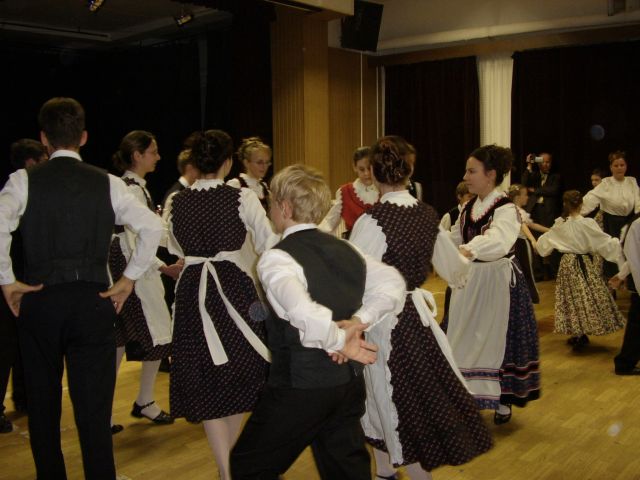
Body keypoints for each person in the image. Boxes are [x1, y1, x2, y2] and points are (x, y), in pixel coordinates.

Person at [0, 97, 164, 479]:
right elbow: (152, 227)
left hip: (40, 300)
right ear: (84, 137)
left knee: (42, 407)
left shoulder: (23, 181)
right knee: (94, 412)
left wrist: (7, 281)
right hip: (93, 301)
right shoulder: (108, 183)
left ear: (44, 139)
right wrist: (127, 280)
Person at [230, 164, 406, 480]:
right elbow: (393, 284)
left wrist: (345, 336)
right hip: (347, 385)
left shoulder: (277, 258)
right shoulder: (347, 249)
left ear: (285, 208)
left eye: (272, 203)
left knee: (248, 466)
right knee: (346, 470)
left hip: (300, 386)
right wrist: (358, 322)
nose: (270, 210)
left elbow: (302, 311)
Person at [348, 136, 492, 480]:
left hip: (383, 321)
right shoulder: (426, 215)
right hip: (416, 317)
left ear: (374, 174)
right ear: (409, 172)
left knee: (390, 399)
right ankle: (384, 471)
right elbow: (453, 268)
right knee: (391, 398)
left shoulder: (373, 221)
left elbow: (354, 277)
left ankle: (396, 471)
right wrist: (465, 261)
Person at [166, 130, 277, 480]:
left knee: (207, 378)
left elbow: (174, 247)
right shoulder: (242, 197)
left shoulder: (177, 201)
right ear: (228, 162)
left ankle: (226, 469)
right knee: (241, 371)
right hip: (233, 288)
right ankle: (228, 470)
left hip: (192, 291)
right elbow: (268, 243)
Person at [448, 144, 540, 425]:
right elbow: (454, 237)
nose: (466, 177)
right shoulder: (467, 208)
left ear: (490, 175)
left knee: (497, 339)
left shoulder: (506, 209)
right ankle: (467, 396)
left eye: (471, 171)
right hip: (470, 281)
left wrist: (470, 249)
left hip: (497, 282)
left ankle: (501, 399)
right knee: (464, 337)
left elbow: (499, 240)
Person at [108, 130, 177, 433]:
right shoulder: (130, 189)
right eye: (153, 151)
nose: (158, 157)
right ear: (137, 155)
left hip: (129, 266)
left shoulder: (136, 188)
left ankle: (141, 401)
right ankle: (137, 402)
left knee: (122, 338)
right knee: (150, 333)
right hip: (128, 269)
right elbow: (135, 239)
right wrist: (162, 267)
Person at [537, 190, 625, 349]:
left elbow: (544, 244)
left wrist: (537, 245)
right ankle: (579, 333)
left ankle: (579, 333)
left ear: (565, 204)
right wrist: (620, 242)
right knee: (583, 296)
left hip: (567, 264)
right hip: (581, 262)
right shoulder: (583, 223)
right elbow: (603, 241)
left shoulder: (561, 224)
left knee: (573, 298)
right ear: (581, 204)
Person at [0, 139, 48, 433]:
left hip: (24, 279)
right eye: (43, 159)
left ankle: (24, 397)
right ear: (31, 162)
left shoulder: (32, 191)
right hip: (9, 281)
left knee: (21, 343)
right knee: (5, 345)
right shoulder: (16, 190)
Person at [581, 151, 640, 280]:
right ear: (611, 167)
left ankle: (630, 283)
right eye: (616, 165)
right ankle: (613, 283)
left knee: (631, 252)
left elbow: (638, 201)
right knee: (613, 253)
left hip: (629, 221)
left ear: (626, 166)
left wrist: (637, 218)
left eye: (622, 165)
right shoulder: (606, 183)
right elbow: (591, 198)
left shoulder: (632, 181)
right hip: (612, 222)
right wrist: (575, 212)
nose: (619, 168)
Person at [319, 146, 378, 239]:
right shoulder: (345, 192)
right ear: (354, 167)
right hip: (355, 244)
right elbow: (329, 223)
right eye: (362, 169)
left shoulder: (384, 191)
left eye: (369, 168)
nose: (367, 173)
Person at [521, 152, 562, 279]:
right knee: (535, 239)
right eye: (542, 161)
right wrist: (529, 165)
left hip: (549, 212)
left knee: (551, 239)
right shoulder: (534, 175)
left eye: (548, 162)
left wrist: (535, 190)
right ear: (538, 162)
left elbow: (553, 190)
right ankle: (538, 272)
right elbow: (524, 184)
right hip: (534, 210)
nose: (545, 164)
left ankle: (553, 271)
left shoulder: (555, 176)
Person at [507, 183, 550, 304]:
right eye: (525, 195)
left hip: (512, 245)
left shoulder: (514, 210)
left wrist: (550, 230)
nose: (527, 197)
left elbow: (531, 224)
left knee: (520, 271)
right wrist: (532, 239)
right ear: (517, 197)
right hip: (520, 244)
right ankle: (530, 297)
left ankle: (521, 298)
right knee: (526, 271)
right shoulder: (515, 210)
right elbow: (523, 225)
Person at [610, 215, 640, 375]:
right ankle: (624, 364)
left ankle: (625, 362)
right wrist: (622, 275)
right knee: (636, 326)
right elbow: (633, 258)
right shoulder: (636, 225)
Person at [226, 136, 272, 210]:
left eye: (267, 162)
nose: (264, 166)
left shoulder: (264, 188)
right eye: (259, 162)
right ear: (246, 163)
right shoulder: (236, 185)